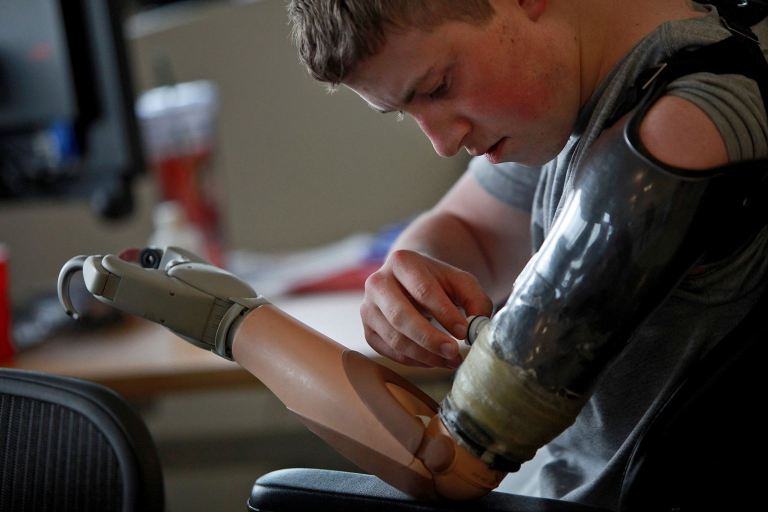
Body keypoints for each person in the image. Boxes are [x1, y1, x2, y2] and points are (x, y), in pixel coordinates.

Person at [287, 0, 768, 509]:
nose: (443, 143)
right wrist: (411, 276)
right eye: (409, 112)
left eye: (437, 87)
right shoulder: (566, 101)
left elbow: (460, 456)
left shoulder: (682, 125)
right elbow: (469, 232)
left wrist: (240, 328)